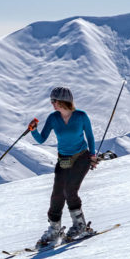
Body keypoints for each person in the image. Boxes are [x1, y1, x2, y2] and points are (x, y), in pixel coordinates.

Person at [28, 86, 99, 247]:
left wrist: (93, 155)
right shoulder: (53, 118)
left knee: (70, 190)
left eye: (54, 101)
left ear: (63, 101)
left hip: (81, 157)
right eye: (52, 101)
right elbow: (41, 139)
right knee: (57, 195)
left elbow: (90, 136)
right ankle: (54, 230)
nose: (52, 104)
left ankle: (80, 225)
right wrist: (33, 130)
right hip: (64, 160)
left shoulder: (81, 116)